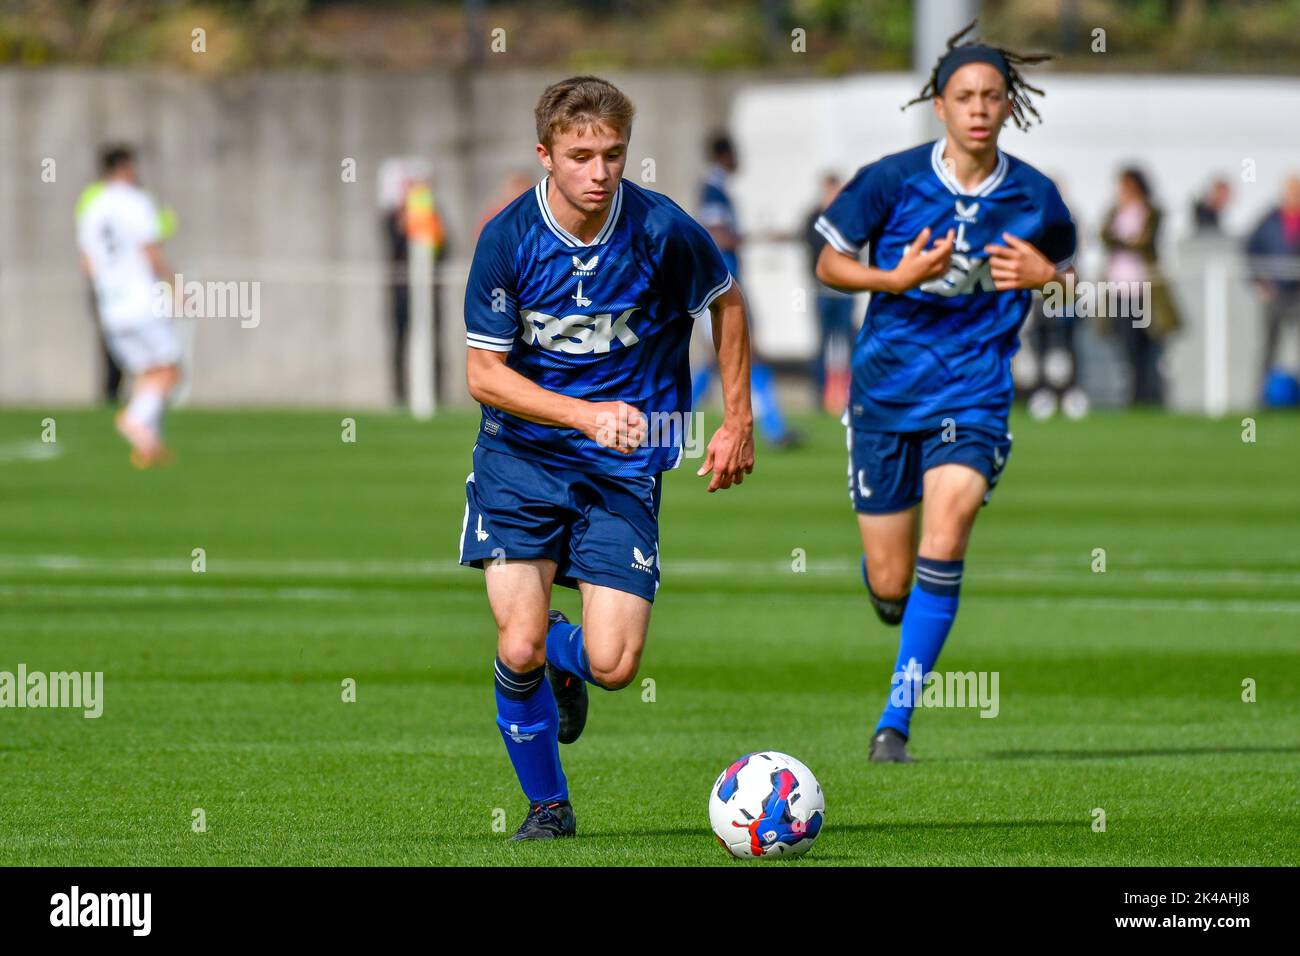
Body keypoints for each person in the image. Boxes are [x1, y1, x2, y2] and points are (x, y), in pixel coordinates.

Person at [459, 76, 755, 839]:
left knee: (615, 664)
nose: (599, 172)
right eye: (581, 155)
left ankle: (570, 661)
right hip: (519, 459)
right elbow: (483, 374)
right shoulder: (508, 239)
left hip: (627, 467)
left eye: (613, 155)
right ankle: (548, 806)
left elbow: (725, 301)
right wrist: (585, 416)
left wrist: (737, 420)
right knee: (516, 641)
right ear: (545, 156)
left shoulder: (662, 231)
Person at [814, 21, 1076, 763]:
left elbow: (1072, 282)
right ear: (939, 103)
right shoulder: (891, 180)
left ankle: (894, 723)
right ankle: (890, 593)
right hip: (886, 392)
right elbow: (828, 263)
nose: (979, 108)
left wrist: (1050, 280)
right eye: (964, 95)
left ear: (1008, 104)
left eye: (994, 95)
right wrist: (891, 279)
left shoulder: (1036, 197)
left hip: (974, 391)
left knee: (950, 526)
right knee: (892, 583)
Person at [692, 134, 802, 448]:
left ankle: (774, 427)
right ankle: (774, 429)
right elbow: (716, 236)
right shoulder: (712, 190)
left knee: (734, 357)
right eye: (735, 153)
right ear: (724, 155)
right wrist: (757, 238)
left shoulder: (719, 189)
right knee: (745, 354)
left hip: (726, 286)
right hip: (719, 288)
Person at [77, 145, 179, 467]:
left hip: (110, 305)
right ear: (124, 168)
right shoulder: (135, 201)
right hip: (141, 300)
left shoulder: (91, 208)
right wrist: (173, 284)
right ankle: (134, 420)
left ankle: (148, 445)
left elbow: (88, 264)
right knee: (170, 367)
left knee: (147, 372)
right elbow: (148, 247)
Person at [1100, 166, 1180, 406]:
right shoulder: (1115, 212)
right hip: (1119, 289)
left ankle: (1150, 395)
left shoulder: (1151, 212)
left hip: (1146, 291)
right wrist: (1127, 241)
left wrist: (1123, 241)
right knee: (1127, 345)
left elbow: (1144, 242)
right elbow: (1105, 237)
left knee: (1150, 346)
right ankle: (1134, 396)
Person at [803, 173, 855, 413]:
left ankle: (850, 395)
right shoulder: (814, 217)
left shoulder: (848, 216)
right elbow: (812, 247)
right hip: (822, 292)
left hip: (844, 293)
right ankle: (819, 396)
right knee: (822, 345)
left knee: (848, 344)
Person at [1245, 175, 1300, 395]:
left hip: (1298, 293)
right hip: (1275, 293)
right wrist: (1259, 282)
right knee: (1268, 346)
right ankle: (1262, 397)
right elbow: (1250, 250)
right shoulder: (1269, 220)